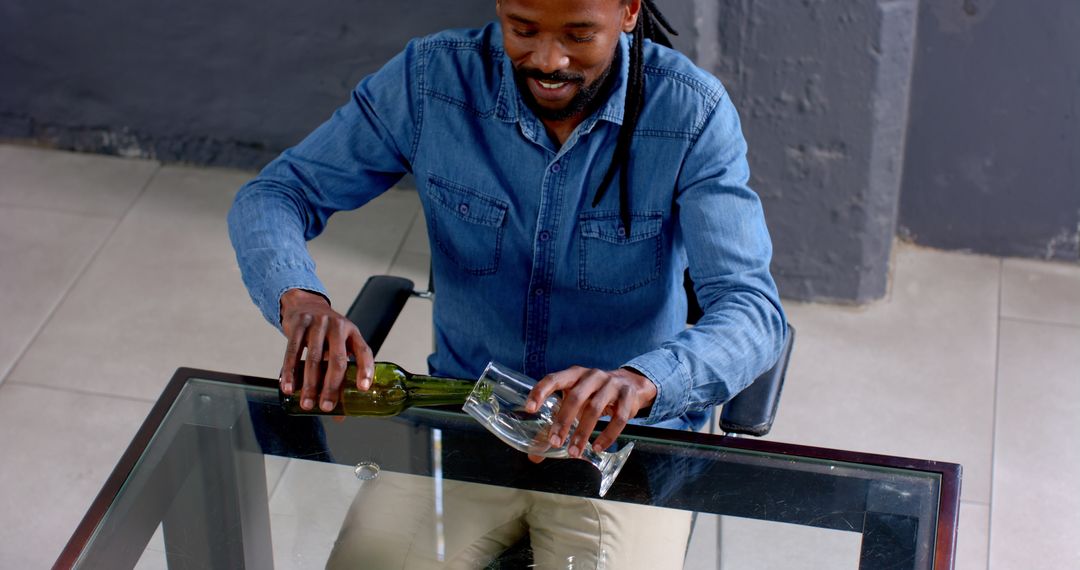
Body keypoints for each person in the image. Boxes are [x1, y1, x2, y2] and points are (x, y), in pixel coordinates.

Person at [229, 0, 786, 566]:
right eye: (523, 29)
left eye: (579, 35)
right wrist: (299, 297)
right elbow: (277, 194)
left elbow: (752, 309)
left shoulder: (691, 112)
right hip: (466, 422)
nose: (548, 60)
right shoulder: (430, 82)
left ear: (628, 12)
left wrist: (642, 381)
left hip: (620, 447)